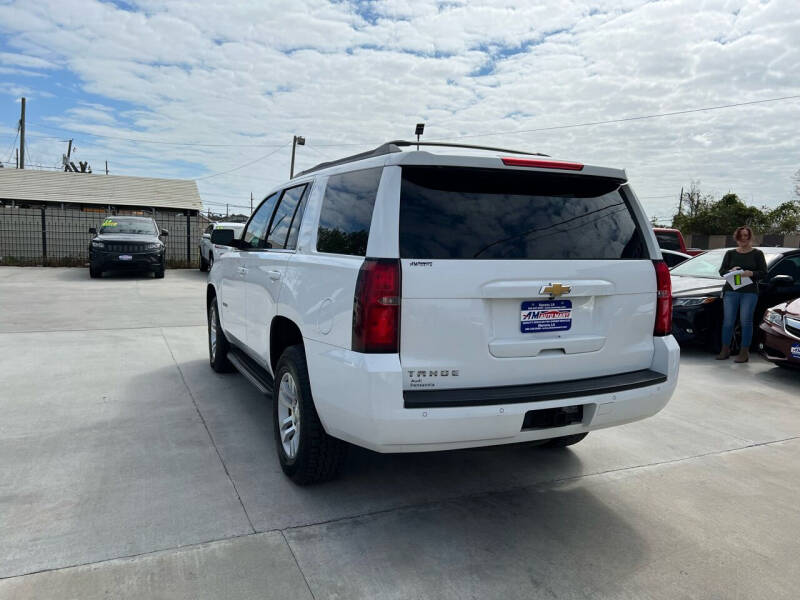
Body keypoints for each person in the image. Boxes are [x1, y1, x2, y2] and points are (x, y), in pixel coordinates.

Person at [716, 226, 767, 362]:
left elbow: (764, 273)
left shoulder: (757, 254)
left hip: (749, 292)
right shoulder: (730, 253)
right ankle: (725, 350)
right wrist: (731, 269)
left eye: (746, 236)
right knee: (728, 322)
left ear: (750, 237)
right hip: (731, 291)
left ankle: (744, 352)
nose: (743, 238)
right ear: (736, 238)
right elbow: (722, 271)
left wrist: (751, 273)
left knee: (746, 321)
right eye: (741, 236)